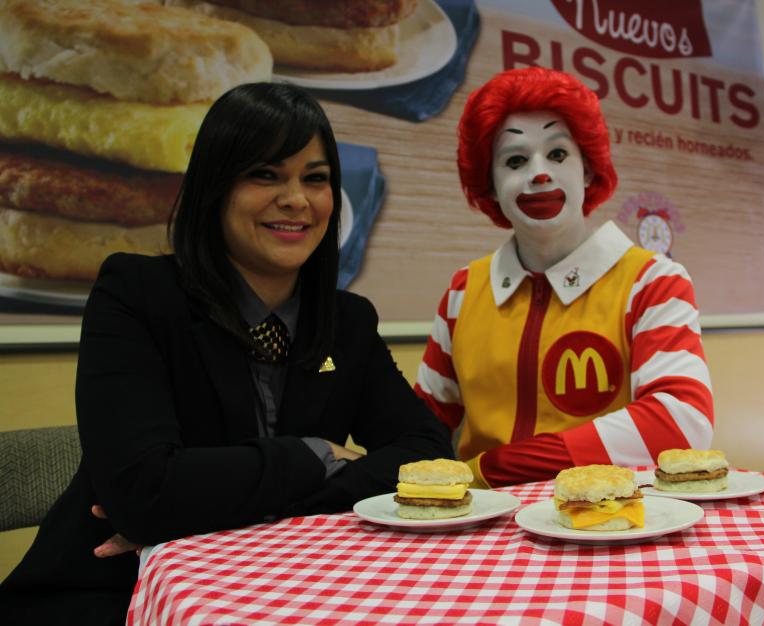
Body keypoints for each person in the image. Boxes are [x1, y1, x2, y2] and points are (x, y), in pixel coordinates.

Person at [0, 82, 453, 625]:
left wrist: (230, 509)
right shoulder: (137, 294)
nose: (296, 199)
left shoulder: (347, 320)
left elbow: (427, 453)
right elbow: (144, 490)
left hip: (286, 586)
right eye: (265, 174)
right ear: (215, 186)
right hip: (113, 591)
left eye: (315, 178)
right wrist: (315, 455)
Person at [415, 67, 714, 488]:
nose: (540, 174)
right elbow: (422, 423)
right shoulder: (463, 292)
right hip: (485, 520)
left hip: (610, 516)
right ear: (491, 185)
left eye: (557, 154)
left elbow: (680, 422)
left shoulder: (652, 281)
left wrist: (492, 470)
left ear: (587, 170)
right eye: (515, 160)